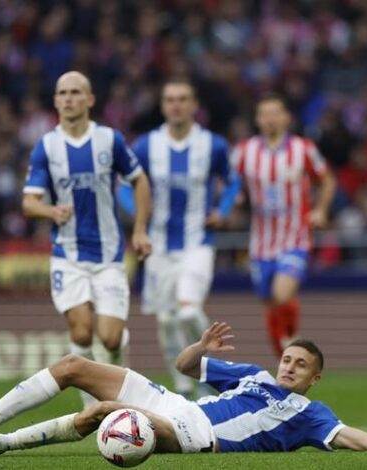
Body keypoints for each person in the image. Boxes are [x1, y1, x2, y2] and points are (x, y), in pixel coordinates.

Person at [0, 322, 367, 456]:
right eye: (288, 359)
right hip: (177, 404)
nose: (289, 368)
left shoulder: (310, 413)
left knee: (107, 411)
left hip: (199, 437)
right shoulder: (255, 373)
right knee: (74, 365)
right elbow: (187, 366)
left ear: (314, 378)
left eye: (301, 365)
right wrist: (200, 344)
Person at [22, 71, 152, 407]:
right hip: (68, 254)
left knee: (109, 337)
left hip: (109, 255)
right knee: (81, 332)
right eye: (62, 92)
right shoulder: (46, 147)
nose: (68, 98)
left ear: (90, 99)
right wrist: (50, 212)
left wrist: (139, 229)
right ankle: (92, 406)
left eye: (76, 92)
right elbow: (29, 201)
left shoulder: (110, 140)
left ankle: (117, 365)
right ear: (55, 100)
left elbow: (139, 181)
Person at [118, 79, 241, 398]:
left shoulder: (211, 144)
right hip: (158, 246)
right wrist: (139, 218)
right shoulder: (148, 145)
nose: (176, 105)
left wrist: (223, 211)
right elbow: (122, 186)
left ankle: (207, 375)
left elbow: (232, 181)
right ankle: (184, 387)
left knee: (187, 311)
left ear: (194, 105)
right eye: (170, 99)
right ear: (163, 105)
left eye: (183, 99)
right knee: (167, 319)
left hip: (197, 243)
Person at [231, 95, 336, 357]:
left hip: (295, 238)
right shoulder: (245, 151)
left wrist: (320, 210)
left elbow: (327, 179)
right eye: (264, 114)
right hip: (261, 242)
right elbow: (230, 181)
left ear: (286, 117)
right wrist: (234, 199)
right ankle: (284, 351)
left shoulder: (303, 149)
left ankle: (290, 339)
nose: (270, 119)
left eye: (275, 113)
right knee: (270, 303)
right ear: (257, 120)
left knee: (282, 292)